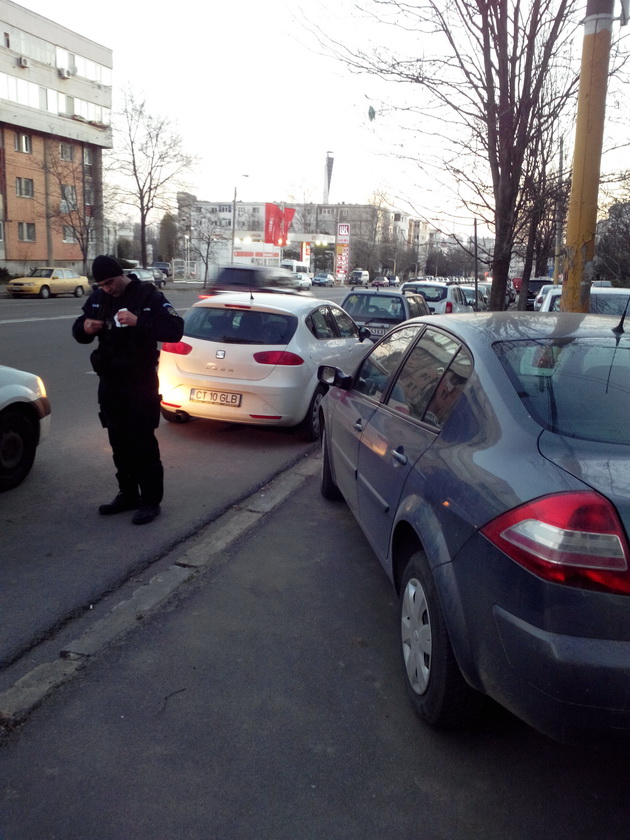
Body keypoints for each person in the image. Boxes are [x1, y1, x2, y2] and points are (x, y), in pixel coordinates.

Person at [72, 255, 184, 524]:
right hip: (110, 382)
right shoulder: (99, 298)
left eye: (109, 282)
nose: (107, 288)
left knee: (142, 442)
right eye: (101, 284)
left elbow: (175, 329)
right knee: (118, 442)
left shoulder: (148, 296)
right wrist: (85, 328)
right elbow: (79, 330)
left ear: (120, 275)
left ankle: (150, 501)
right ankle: (128, 494)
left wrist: (138, 322)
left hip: (139, 382)